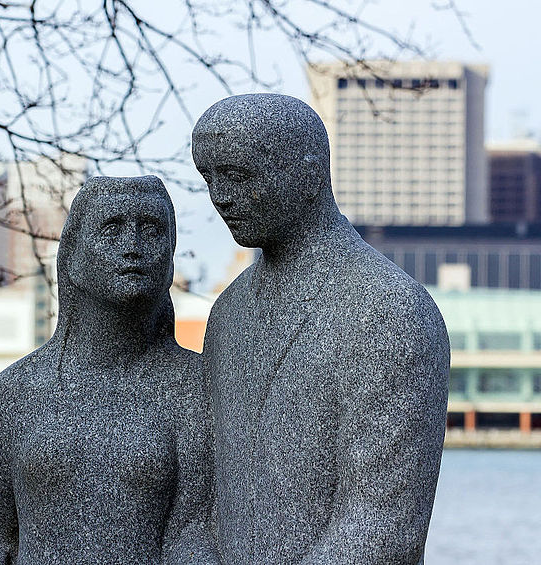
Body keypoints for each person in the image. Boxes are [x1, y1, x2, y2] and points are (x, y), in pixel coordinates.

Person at [192, 94, 448, 564]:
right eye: (211, 179)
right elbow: (204, 495)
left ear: (308, 173)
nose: (222, 198)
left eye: (239, 176)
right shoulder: (228, 312)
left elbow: (382, 525)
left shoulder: (389, 310)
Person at [0, 175, 218, 565]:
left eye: (152, 230)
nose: (133, 247)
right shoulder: (14, 393)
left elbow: (193, 539)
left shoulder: (198, 385)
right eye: (112, 229)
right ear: (72, 255)